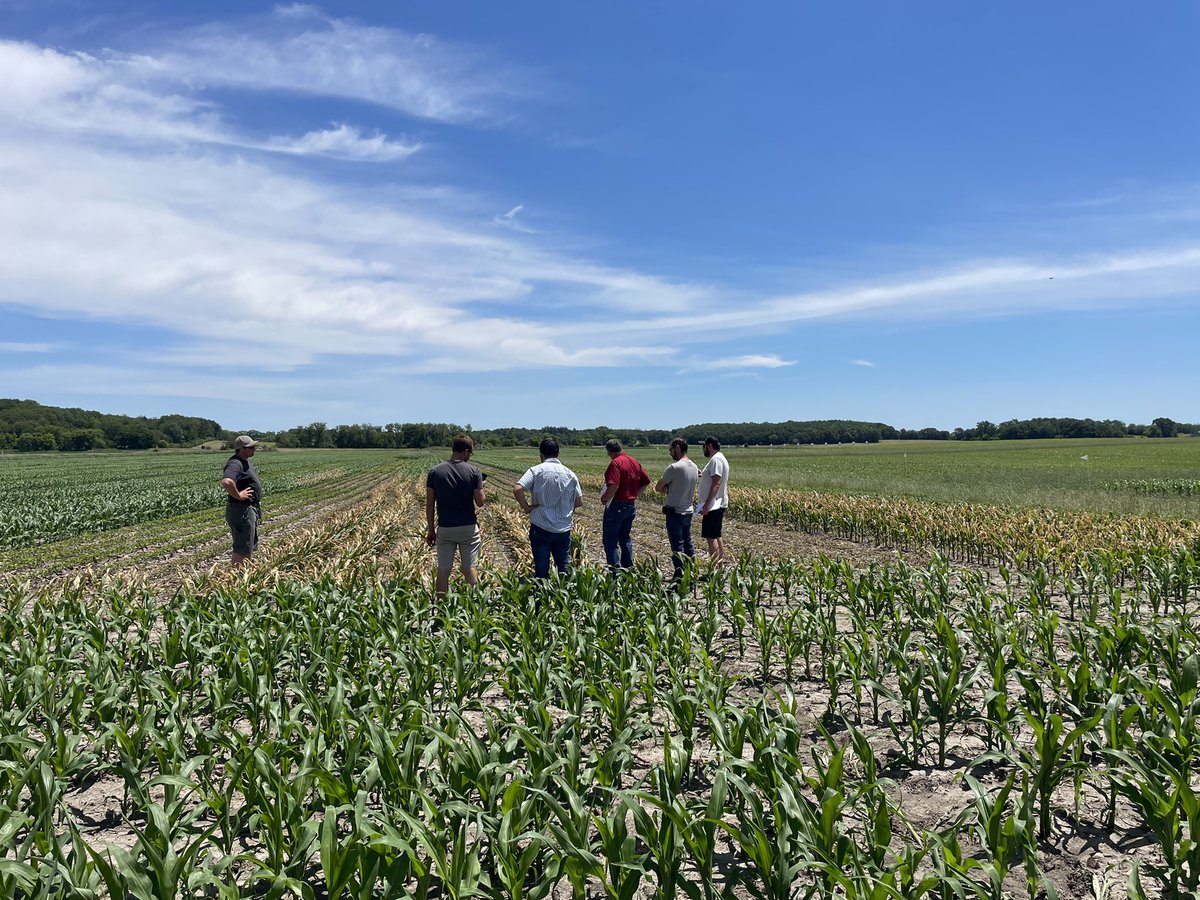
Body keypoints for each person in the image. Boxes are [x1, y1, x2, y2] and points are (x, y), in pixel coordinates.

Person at [513, 438, 584, 578]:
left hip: (540, 526)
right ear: (558, 454)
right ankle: (565, 590)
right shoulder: (570, 474)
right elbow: (579, 502)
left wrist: (526, 507)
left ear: (541, 455)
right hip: (563, 528)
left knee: (541, 568)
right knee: (563, 567)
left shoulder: (536, 471)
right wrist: (564, 509)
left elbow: (517, 489)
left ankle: (542, 590)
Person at [425, 435, 486, 595]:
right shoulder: (474, 471)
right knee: (469, 568)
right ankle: (474, 605)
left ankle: (440, 606)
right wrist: (481, 487)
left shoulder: (435, 472)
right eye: (470, 453)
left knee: (443, 569)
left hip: (445, 528)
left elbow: (430, 504)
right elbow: (480, 502)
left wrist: (431, 530)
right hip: (468, 528)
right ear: (465, 451)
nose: (469, 456)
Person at [599, 439, 651, 571]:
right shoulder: (633, 461)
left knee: (610, 539)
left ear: (610, 452)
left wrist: (604, 498)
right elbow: (646, 481)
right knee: (625, 537)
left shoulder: (615, 463)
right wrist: (635, 493)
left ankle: (615, 571)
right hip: (630, 505)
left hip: (617, 505)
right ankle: (628, 568)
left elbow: (613, 486)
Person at [655, 437, 699, 582]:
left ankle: (679, 577)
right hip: (688, 511)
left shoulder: (674, 468)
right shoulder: (694, 466)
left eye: (671, 449)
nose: (670, 453)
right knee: (688, 544)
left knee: (677, 547)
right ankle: (691, 573)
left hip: (675, 512)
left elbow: (658, 487)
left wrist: (669, 490)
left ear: (678, 448)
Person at [221, 435, 263, 567]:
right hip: (241, 510)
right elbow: (227, 482)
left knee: (248, 545)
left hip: (247, 509)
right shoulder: (235, 463)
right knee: (242, 548)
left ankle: (245, 572)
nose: (254, 449)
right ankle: (237, 575)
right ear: (242, 449)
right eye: (251, 447)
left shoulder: (245, 461)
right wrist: (239, 495)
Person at [697, 436, 730, 568]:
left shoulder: (716, 460)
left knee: (711, 537)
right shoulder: (720, 458)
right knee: (716, 535)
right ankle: (720, 568)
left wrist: (706, 505)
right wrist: (703, 475)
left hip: (713, 505)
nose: (703, 449)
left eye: (704, 446)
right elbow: (713, 478)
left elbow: (716, 483)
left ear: (709, 446)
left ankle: (714, 570)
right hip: (718, 503)